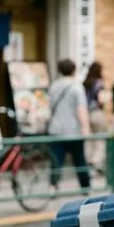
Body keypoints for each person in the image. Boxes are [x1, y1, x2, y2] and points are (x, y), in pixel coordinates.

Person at [48, 59, 91, 193]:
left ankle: (53, 187)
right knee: (79, 160)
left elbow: (49, 106)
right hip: (73, 131)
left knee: (56, 161)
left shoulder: (53, 86)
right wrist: (85, 127)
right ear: (74, 71)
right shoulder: (76, 87)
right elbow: (81, 109)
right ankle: (85, 188)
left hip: (55, 130)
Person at [83, 61, 109, 169]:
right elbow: (101, 99)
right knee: (100, 138)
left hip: (86, 113)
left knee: (89, 140)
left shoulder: (85, 83)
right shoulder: (99, 83)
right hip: (97, 113)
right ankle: (96, 161)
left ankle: (88, 160)